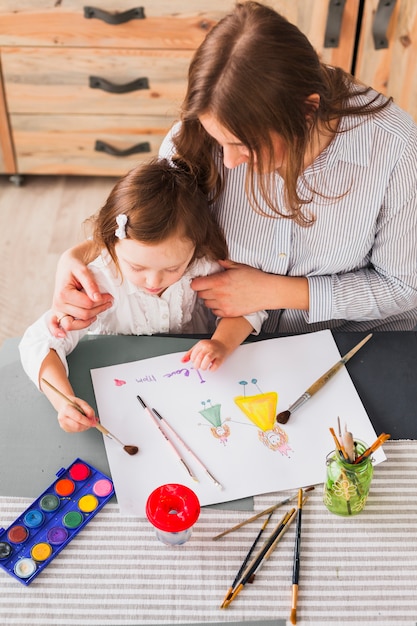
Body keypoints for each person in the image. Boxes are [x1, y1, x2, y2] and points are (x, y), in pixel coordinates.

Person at [50, 1, 417, 335]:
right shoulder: (192, 139)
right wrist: (79, 256)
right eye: (220, 141)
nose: (228, 162)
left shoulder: (395, 150)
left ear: (307, 110)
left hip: (355, 339)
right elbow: (156, 226)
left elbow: (403, 288)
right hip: (227, 343)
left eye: (244, 145)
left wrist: (275, 292)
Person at [19, 159, 266, 433]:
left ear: (195, 247)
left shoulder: (203, 264)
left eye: (172, 268)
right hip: (117, 388)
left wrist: (221, 343)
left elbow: (250, 305)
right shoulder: (98, 279)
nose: (153, 281)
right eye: (136, 267)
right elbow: (38, 342)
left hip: (193, 387)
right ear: (110, 244)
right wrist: (64, 401)